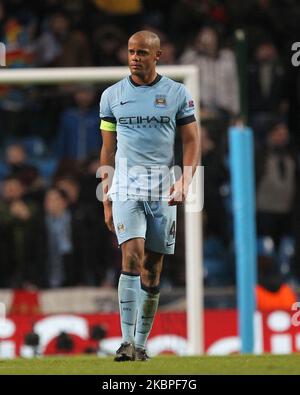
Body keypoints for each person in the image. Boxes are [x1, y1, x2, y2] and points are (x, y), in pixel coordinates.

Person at [99, 30, 200, 361]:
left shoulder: (176, 93)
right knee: (131, 257)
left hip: (163, 190)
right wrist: (106, 198)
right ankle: (126, 341)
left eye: (142, 52)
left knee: (153, 271)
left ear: (158, 55)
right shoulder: (112, 96)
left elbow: (191, 141)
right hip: (126, 187)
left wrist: (185, 181)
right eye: (131, 51)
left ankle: (141, 344)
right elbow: (107, 151)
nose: (134, 57)